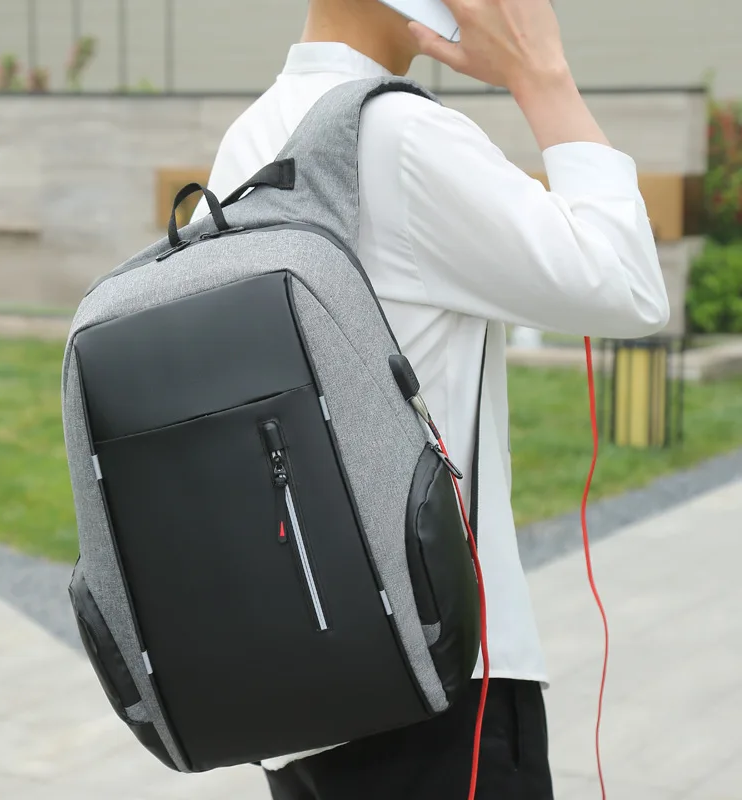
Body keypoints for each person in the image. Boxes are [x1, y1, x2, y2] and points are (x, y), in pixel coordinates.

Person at [193, 0, 670, 797]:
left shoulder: (250, 135)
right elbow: (629, 286)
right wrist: (543, 76)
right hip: (441, 685)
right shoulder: (403, 137)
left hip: (311, 683)